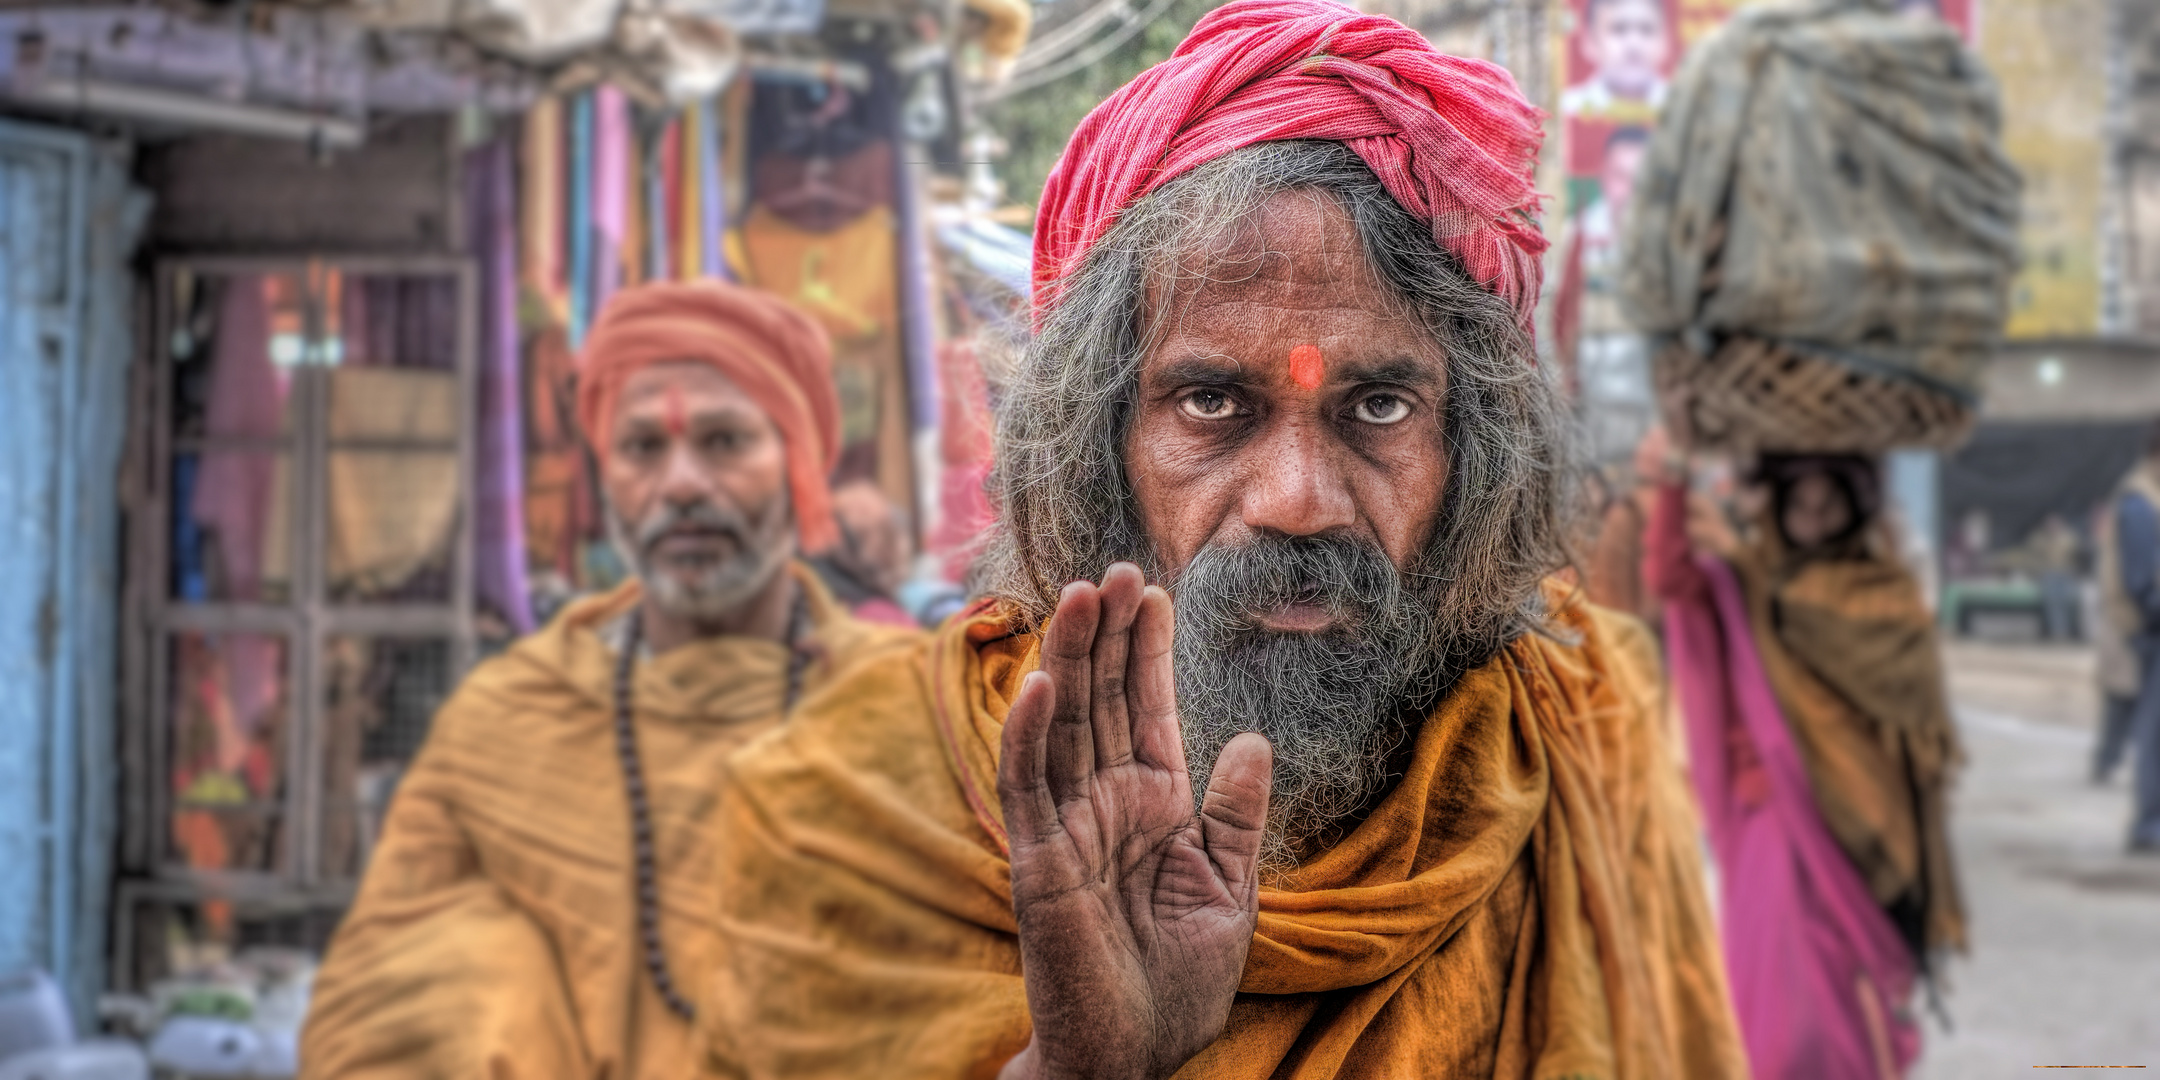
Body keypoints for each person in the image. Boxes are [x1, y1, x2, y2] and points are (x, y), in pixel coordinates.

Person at [698, 4, 1748, 1076]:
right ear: (1096, 442)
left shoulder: (1579, 717)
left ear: (1473, 450)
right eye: (1211, 403)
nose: (1297, 502)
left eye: (1379, 407)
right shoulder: (851, 805)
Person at [297, 281, 917, 1078]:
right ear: (604, 472)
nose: (683, 484)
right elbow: (377, 1023)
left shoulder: (908, 711)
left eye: (725, 441)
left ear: (799, 462)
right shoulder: (508, 719)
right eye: (642, 449)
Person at [1648, 438, 1964, 1078]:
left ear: (1856, 508)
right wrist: (1673, 482)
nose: (1815, 519)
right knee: (1780, 1014)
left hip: (1865, 828)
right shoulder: (1744, 582)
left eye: (1830, 504)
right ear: (1780, 508)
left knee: (1855, 1001)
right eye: (1802, 504)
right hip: (1774, 823)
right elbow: (1669, 578)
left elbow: (1917, 730)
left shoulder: (1887, 593)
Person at [2102, 425, 2160, 847]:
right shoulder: (2140, 505)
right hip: (2152, 633)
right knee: (2153, 733)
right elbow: (2145, 586)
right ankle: (2149, 825)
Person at [1560, 0, 1671, 118]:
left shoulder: (1683, 112)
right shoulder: (1567, 109)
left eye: (1646, 29)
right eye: (1619, 29)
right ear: (1590, 42)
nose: (1634, 44)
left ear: (1665, 41)